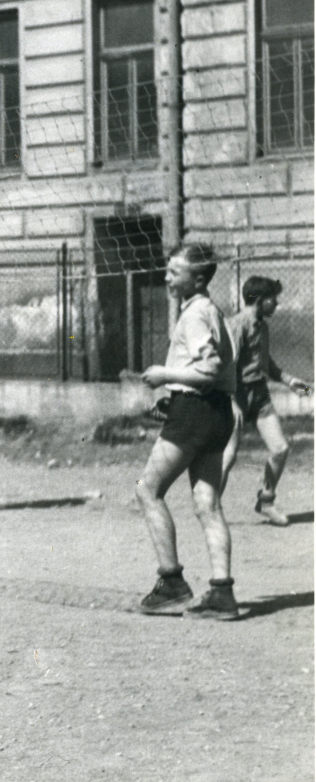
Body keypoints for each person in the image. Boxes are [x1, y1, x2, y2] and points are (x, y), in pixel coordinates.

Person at [134, 243, 239, 621]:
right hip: (217, 414)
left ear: (197, 277)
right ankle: (222, 593)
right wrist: (174, 394)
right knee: (207, 503)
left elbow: (208, 369)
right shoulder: (212, 309)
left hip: (194, 413)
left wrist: (165, 377)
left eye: (173, 272)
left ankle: (172, 584)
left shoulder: (195, 314)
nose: (166, 277)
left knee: (147, 489)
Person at [226, 276, 312, 527]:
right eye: (273, 299)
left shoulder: (263, 327)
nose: (277, 304)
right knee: (228, 455)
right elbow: (227, 367)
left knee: (280, 449)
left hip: (260, 395)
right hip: (236, 395)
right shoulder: (237, 325)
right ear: (260, 300)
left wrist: (290, 381)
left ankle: (265, 501)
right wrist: (231, 401)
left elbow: (265, 364)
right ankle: (211, 510)